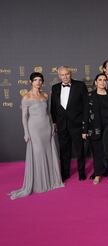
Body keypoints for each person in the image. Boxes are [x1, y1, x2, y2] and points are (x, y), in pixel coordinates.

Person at [10, 72, 64, 200]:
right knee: (38, 153)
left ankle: (52, 181)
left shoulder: (45, 95)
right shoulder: (26, 97)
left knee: (49, 153)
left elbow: (49, 113)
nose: (38, 82)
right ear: (31, 82)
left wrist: (52, 126)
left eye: (40, 80)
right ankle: (40, 183)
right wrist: (26, 133)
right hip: (34, 129)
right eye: (35, 80)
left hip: (47, 127)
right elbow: (24, 117)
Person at [51, 66, 88, 181]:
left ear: (70, 74)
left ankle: (82, 173)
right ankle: (65, 173)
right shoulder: (55, 87)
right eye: (62, 75)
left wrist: (85, 128)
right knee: (64, 151)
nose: (65, 77)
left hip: (77, 125)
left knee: (80, 151)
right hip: (62, 125)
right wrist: (55, 123)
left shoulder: (80, 85)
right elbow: (53, 107)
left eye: (67, 74)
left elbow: (86, 107)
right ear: (59, 76)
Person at [86, 73, 108, 184]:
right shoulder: (90, 95)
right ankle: (98, 174)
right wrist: (84, 130)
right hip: (95, 128)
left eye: (105, 80)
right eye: (100, 80)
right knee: (97, 152)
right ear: (96, 82)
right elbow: (86, 113)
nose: (102, 82)